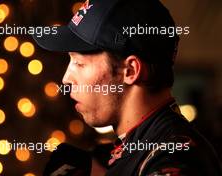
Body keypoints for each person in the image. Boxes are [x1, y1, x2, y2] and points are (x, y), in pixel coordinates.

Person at [33, 0, 222, 175]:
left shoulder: (175, 159)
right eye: (70, 61)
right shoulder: (125, 151)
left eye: (80, 63)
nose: (66, 79)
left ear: (130, 70)